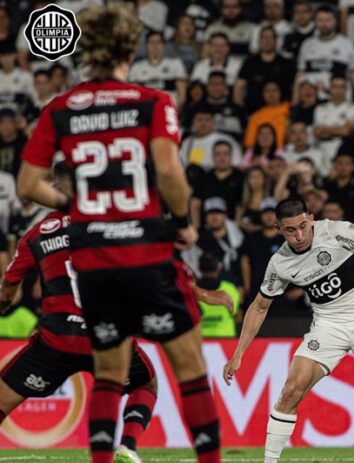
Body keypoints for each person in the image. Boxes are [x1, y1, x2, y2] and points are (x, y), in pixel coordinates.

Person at [15, 6, 220, 463]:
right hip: (147, 251)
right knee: (189, 370)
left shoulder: (61, 108)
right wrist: (183, 222)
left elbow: (28, 186)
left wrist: (80, 208)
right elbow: (169, 171)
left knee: (108, 373)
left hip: (94, 260)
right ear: (131, 47)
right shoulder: (153, 101)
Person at [223, 198, 354, 463]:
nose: (299, 235)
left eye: (303, 226)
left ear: (311, 218)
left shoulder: (337, 231)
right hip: (328, 325)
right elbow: (258, 307)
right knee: (291, 390)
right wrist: (239, 353)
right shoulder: (280, 263)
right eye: (290, 230)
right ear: (278, 229)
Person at [0, 164, 158, 463]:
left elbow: (7, 292)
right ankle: (127, 446)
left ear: (56, 187)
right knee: (146, 384)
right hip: (106, 336)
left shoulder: (36, 233)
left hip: (58, 339)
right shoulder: (114, 223)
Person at [296, 5, 354, 99]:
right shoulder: (307, 44)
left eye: (328, 20)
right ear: (315, 22)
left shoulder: (347, 44)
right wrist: (295, 99)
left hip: (339, 100)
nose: (324, 24)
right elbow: (301, 73)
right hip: (313, 100)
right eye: (320, 20)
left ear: (335, 21)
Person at [234, 26, 295, 113]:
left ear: (276, 41)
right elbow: (239, 87)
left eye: (270, 37)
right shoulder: (250, 62)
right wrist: (240, 110)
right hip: (254, 112)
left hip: (281, 113)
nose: (267, 41)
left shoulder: (286, 64)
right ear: (259, 41)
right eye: (264, 37)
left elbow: (294, 88)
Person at [191, 140, 245, 229]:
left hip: (232, 229)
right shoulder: (204, 178)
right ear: (213, 156)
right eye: (218, 154)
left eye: (225, 154)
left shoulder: (240, 178)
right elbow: (195, 203)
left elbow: (241, 204)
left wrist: (236, 228)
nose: (222, 158)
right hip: (206, 229)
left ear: (231, 156)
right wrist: (196, 227)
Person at [128, 31, 188, 106]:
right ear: (146, 46)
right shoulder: (136, 67)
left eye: (158, 42)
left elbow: (182, 96)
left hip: (169, 110)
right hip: (146, 111)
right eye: (152, 42)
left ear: (163, 45)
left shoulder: (175, 64)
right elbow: (134, 95)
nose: (155, 46)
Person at [313, 75, 354, 164]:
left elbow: (347, 132)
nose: (338, 91)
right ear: (329, 88)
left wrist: (326, 129)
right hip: (323, 150)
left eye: (341, 87)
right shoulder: (320, 109)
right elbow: (318, 132)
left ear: (346, 89)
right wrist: (339, 129)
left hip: (345, 152)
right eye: (334, 87)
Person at [197, 253, 243, 338]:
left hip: (199, 339)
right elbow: (238, 317)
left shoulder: (192, 290)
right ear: (218, 268)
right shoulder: (230, 289)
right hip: (226, 338)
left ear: (198, 268)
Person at [243, 81, 291, 149]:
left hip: (287, 151)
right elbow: (250, 143)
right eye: (267, 91)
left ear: (280, 92)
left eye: (275, 90)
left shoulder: (289, 109)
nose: (271, 93)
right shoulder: (256, 116)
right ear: (262, 94)